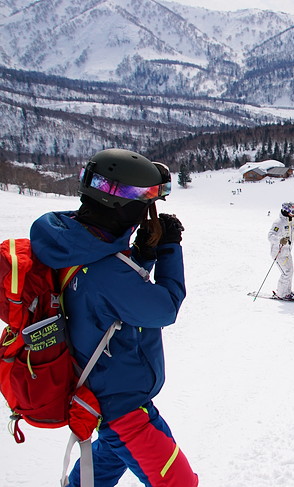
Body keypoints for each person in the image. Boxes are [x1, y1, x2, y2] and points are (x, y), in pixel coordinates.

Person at [30, 149, 198, 486]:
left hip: (100, 396)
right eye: (145, 197)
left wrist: (142, 255)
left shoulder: (75, 240)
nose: (148, 207)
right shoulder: (103, 269)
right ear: (121, 203)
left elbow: (110, 300)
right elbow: (164, 308)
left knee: (97, 474)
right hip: (123, 407)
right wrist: (168, 249)